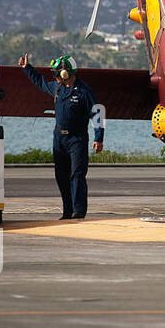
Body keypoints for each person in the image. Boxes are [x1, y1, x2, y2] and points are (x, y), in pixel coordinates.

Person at [19, 54, 104, 220]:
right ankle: (67, 211)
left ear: (66, 73)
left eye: (57, 73)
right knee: (61, 176)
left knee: (77, 175)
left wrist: (98, 138)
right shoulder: (58, 88)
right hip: (59, 138)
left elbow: (98, 113)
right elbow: (40, 82)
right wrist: (27, 68)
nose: (55, 77)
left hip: (77, 139)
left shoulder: (84, 91)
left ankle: (78, 211)